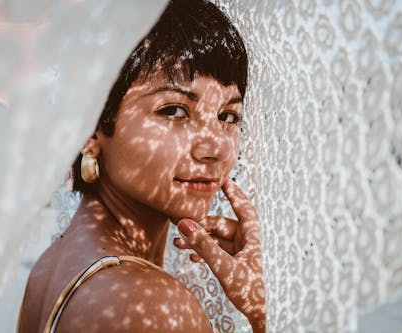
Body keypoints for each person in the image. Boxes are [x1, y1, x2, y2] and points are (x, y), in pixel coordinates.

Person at [17, 0, 266, 332]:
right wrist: (263, 314)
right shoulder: (152, 305)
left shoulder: (51, 266)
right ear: (88, 126)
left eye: (228, 116)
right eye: (175, 111)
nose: (218, 147)